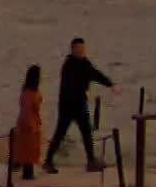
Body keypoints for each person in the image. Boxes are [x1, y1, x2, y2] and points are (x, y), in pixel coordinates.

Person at [45, 37, 118, 174]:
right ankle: (48, 161)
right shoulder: (69, 65)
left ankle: (91, 162)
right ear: (72, 50)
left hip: (80, 105)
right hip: (68, 106)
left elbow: (95, 74)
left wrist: (110, 84)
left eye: (83, 49)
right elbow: (71, 85)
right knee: (60, 133)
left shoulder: (85, 63)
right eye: (78, 49)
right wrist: (83, 90)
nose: (81, 51)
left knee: (86, 132)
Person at [12, 65, 43, 182]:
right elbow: (26, 110)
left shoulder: (32, 91)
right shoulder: (28, 93)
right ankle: (27, 174)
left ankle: (25, 170)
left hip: (32, 122)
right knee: (27, 151)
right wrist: (30, 124)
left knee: (31, 150)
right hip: (28, 123)